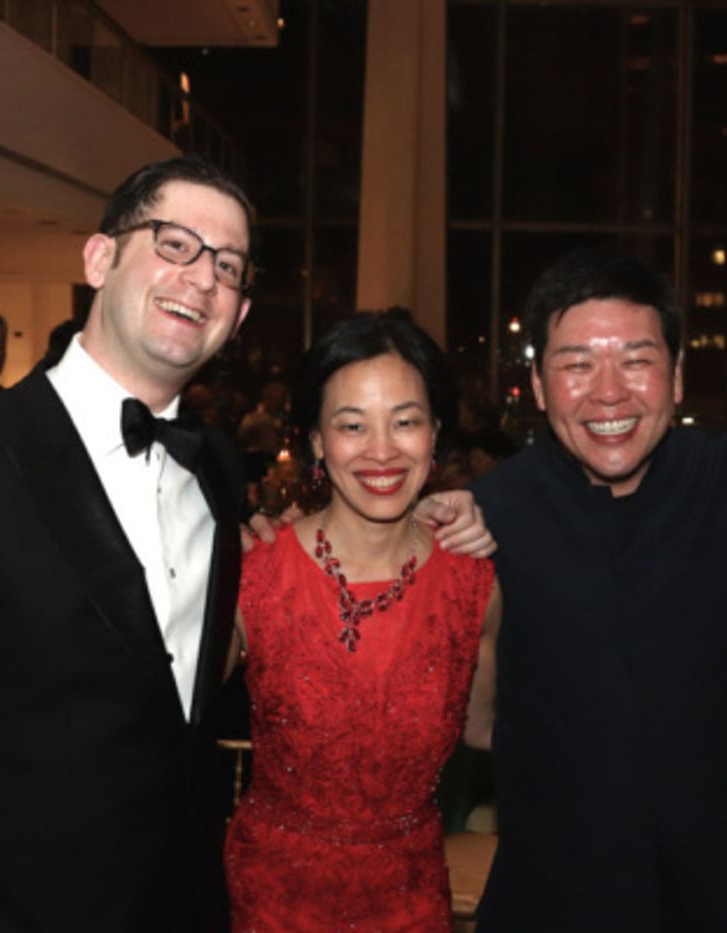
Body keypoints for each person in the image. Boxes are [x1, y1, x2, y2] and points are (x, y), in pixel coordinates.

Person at [0, 156, 492, 932]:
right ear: (99, 257)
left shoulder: (216, 468)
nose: (201, 279)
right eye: (175, 244)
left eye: (227, 266)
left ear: (240, 313)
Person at [472, 247, 727, 931]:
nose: (609, 392)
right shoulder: (491, 512)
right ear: (537, 384)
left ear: (678, 376)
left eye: (636, 359)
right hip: (555, 896)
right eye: (576, 364)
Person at [224, 310, 501, 931]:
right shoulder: (253, 573)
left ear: (435, 434)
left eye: (405, 422)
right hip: (273, 904)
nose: (382, 450)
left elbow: (491, 730)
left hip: (411, 903)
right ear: (318, 441)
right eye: (353, 425)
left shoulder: (475, 585)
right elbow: (154, 713)